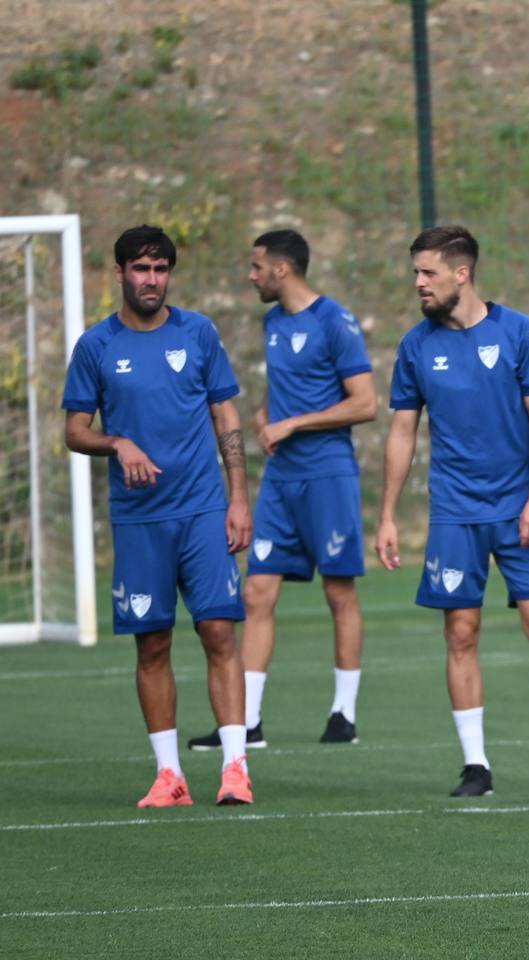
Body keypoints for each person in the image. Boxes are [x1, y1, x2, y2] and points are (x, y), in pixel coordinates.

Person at [375, 225, 529, 797]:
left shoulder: (517, 331)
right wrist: (386, 515)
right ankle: (475, 765)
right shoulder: (415, 345)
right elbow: (402, 432)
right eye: (416, 274)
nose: (419, 284)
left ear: (462, 273)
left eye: (427, 273)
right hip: (455, 511)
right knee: (461, 631)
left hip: (518, 505)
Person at [62, 224, 254, 807]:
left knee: (219, 630)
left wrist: (239, 497)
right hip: (140, 520)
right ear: (118, 273)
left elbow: (227, 418)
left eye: (161, 269)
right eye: (141, 269)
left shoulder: (198, 333)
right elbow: (74, 430)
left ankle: (235, 768)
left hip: (202, 510)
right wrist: (117, 443)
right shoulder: (95, 346)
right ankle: (170, 776)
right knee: (152, 645)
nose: (152, 280)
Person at [188, 230, 377, 752]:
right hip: (281, 479)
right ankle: (247, 721)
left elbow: (364, 403)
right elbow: (286, 387)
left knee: (338, 591)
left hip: (328, 474)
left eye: (256, 267)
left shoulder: (335, 322)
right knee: (256, 593)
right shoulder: (273, 321)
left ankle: (344, 712)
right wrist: (269, 414)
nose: (250, 276)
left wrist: (293, 425)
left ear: (283, 270)